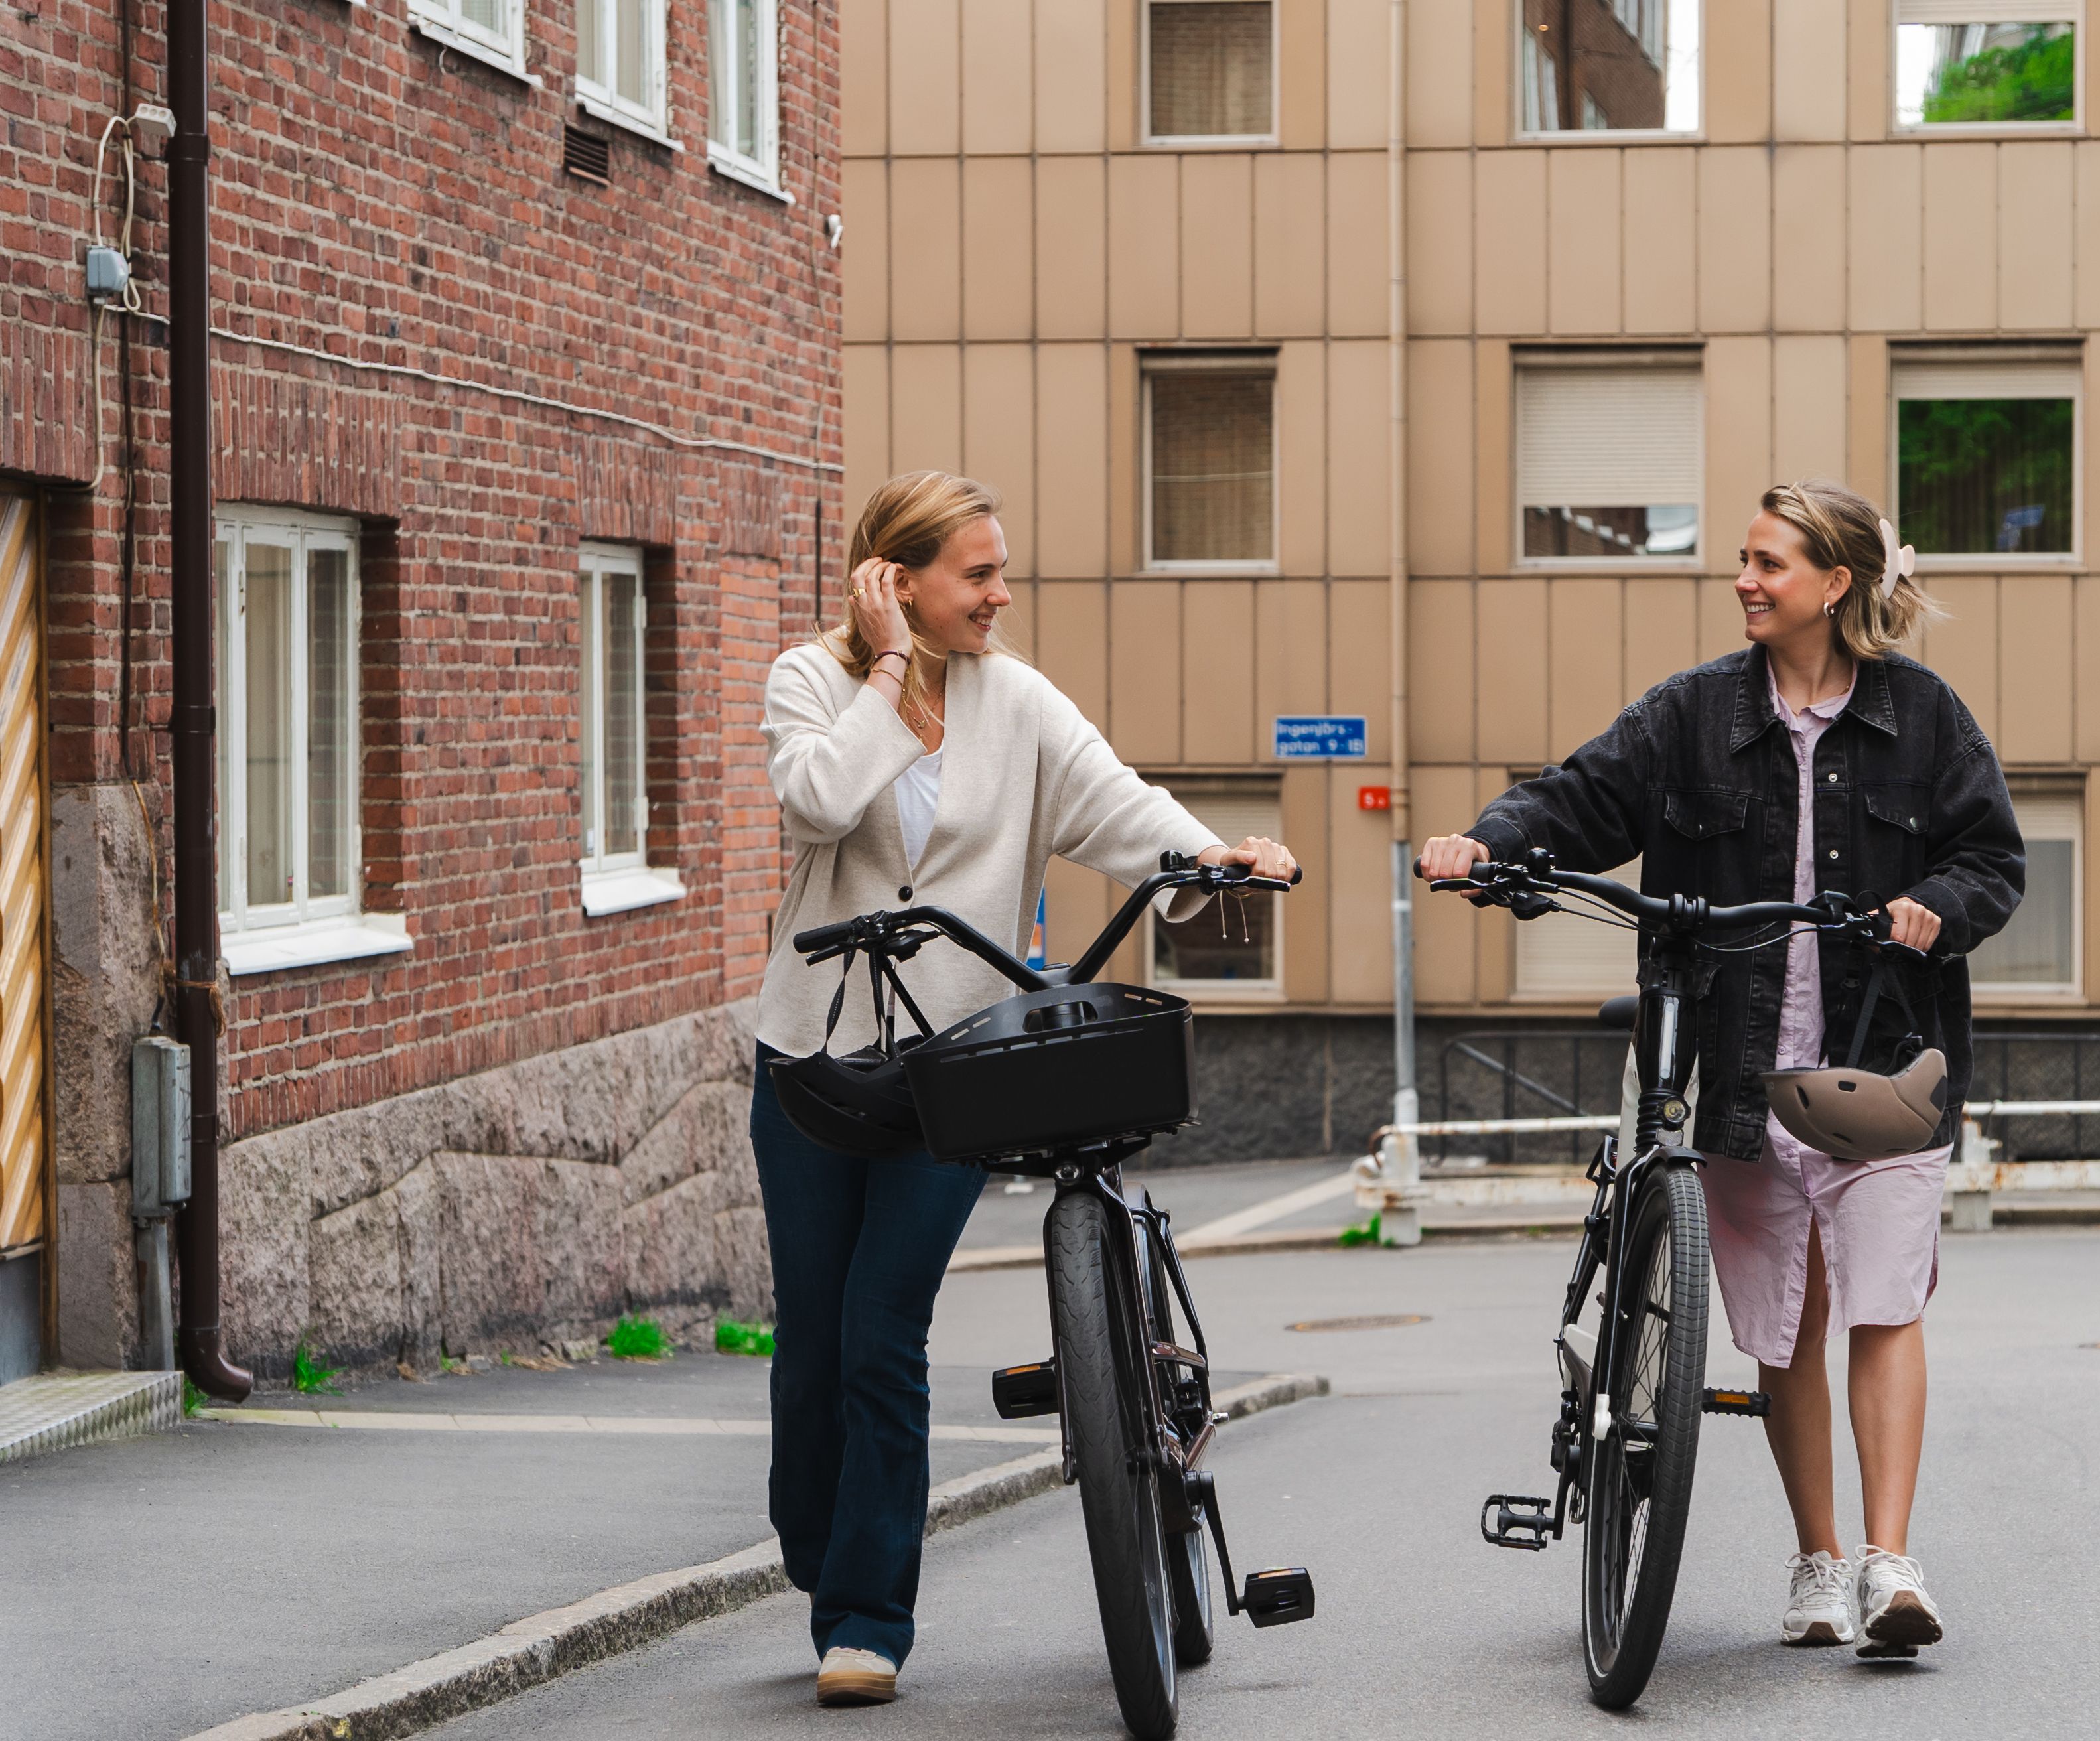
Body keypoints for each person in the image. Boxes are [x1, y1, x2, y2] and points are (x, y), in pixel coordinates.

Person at [1419, 479, 2022, 1661]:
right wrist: (1487, 843)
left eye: (1768, 563)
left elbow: (1992, 855)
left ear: (1835, 585)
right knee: (1784, 1327)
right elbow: (1579, 800)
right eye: (1743, 560)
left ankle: (1890, 1564)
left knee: (1887, 1306)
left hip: (1885, 1062)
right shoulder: (1690, 716)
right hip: (1735, 1066)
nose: (1744, 579)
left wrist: (1934, 909)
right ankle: (1816, 1556)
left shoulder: (1926, 715)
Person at [752, 470, 1298, 1708]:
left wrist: (1213, 857)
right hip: (812, 1058)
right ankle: (818, 1538)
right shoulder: (811, 682)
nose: (1003, 595)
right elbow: (820, 801)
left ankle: (866, 1623)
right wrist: (890, 671)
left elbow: (1120, 809)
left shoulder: (1020, 701)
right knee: (812, 1343)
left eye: (1002, 570)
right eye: (977, 574)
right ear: (896, 580)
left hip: (952, 1068)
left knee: (883, 1335)